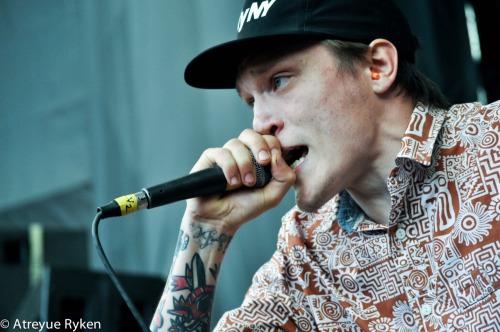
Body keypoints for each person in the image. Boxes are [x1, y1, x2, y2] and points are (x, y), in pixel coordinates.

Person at [151, 0, 500, 331]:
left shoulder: (492, 143)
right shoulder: (304, 250)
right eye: (250, 101)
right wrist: (206, 229)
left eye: (279, 80)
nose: (259, 125)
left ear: (377, 66)